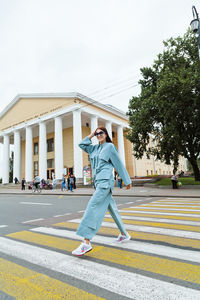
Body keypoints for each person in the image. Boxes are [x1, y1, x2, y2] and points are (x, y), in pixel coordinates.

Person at [72, 127, 132, 256]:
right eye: (97, 133)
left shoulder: (110, 147)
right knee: (113, 209)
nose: (99, 135)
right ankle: (124, 234)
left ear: (106, 134)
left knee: (93, 206)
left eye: (101, 133)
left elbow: (118, 164)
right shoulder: (93, 148)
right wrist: (91, 135)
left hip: (105, 183)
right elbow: (81, 144)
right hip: (98, 183)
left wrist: (127, 180)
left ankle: (86, 242)